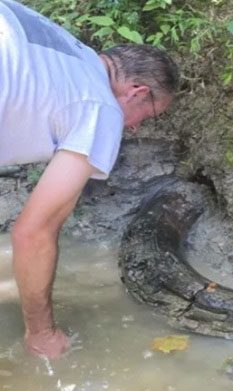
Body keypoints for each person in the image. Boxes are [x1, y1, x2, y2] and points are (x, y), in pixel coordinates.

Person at [0, 0, 180, 359]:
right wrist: (42, 333)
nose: (136, 127)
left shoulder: (62, 49)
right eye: (148, 116)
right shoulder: (100, 107)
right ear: (136, 92)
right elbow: (32, 233)